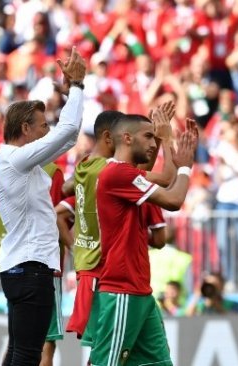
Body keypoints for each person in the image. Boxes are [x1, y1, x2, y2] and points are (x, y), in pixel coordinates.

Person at [0, 46, 85, 366]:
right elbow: (69, 133)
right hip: (32, 269)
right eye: (41, 125)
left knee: (19, 350)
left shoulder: (17, 163)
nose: (46, 131)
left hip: (21, 268)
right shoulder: (17, 159)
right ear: (25, 130)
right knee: (29, 354)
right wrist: (78, 88)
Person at [64, 104, 175, 352]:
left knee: (105, 350)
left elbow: (63, 198)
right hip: (103, 271)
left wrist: (76, 246)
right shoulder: (110, 171)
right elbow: (164, 179)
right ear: (112, 137)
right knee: (104, 353)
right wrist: (164, 140)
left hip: (92, 268)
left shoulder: (85, 168)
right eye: (142, 137)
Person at [90, 114, 198, 366]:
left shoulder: (127, 174)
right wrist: (185, 166)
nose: (153, 143)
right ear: (126, 138)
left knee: (158, 363)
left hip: (140, 290)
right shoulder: (116, 174)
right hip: (121, 288)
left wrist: (167, 142)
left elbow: (167, 180)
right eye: (148, 136)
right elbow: (173, 200)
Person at [0, 160, 66, 366]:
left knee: (17, 345)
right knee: (43, 345)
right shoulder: (50, 171)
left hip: (11, 264)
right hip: (41, 266)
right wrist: (74, 244)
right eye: (43, 127)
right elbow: (55, 215)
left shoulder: (7, 165)